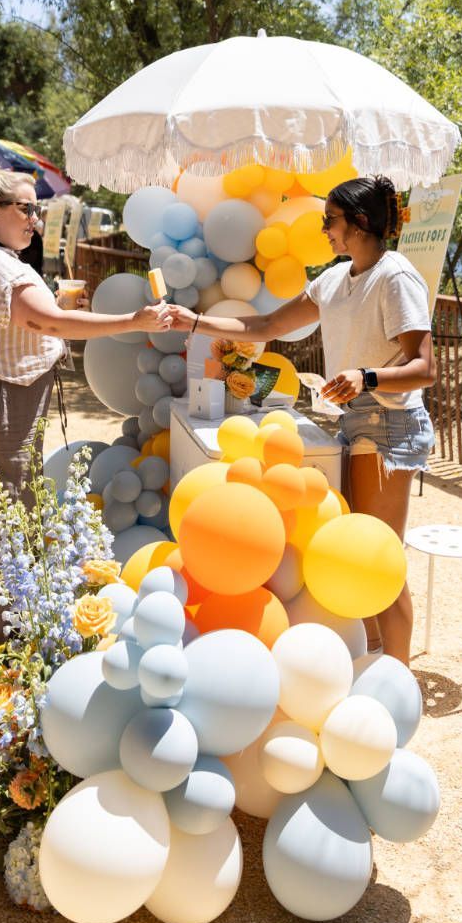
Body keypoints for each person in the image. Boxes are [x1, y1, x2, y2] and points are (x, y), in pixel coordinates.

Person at [0, 163, 172, 703]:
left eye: (36, 209)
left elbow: (29, 321)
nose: (36, 219)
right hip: (2, 407)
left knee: (5, 531)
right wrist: (134, 321)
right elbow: (43, 323)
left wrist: (55, 309)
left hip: (10, 404)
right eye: (27, 208)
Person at [169, 174, 435, 664]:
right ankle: (374, 659)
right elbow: (267, 325)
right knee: (357, 554)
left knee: (378, 557)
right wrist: (196, 322)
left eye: (329, 220)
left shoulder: (395, 277)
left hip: (389, 425)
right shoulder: (334, 279)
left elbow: (424, 367)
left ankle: (399, 679)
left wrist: (365, 377)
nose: (323, 230)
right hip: (357, 421)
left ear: (359, 221)